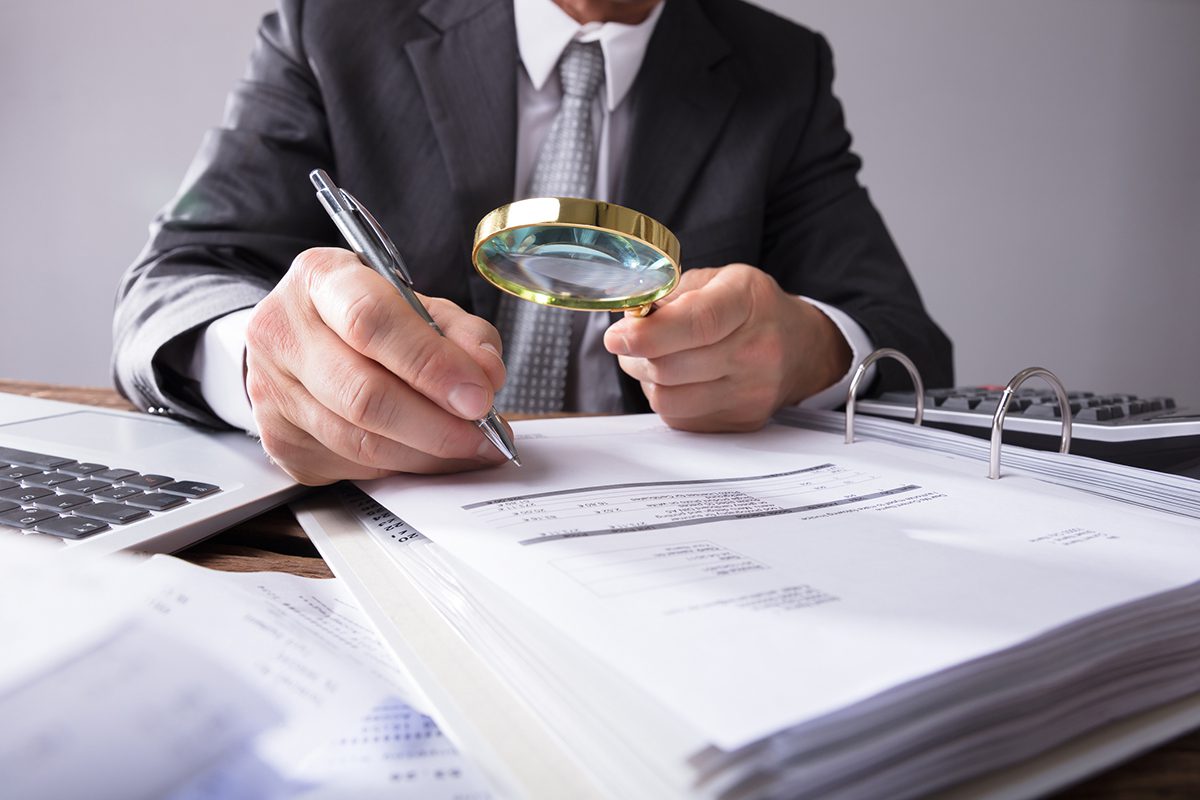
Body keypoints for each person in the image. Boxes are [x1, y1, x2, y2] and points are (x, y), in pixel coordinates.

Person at [113, 0, 953, 485]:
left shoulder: (782, 67)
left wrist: (806, 350)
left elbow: (905, 337)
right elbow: (177, 278)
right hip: (376, 522)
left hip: (666, 536)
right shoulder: (335, 21)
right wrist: (269, 362)